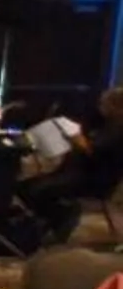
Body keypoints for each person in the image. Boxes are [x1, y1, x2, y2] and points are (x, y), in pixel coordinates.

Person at [20, 86, 123, 242]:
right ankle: (46, 224)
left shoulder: (118, 130)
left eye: (105, 104)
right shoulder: (106, 124)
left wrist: (78, 140)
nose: (100, 107)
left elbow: (95, 152)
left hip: (94, 179)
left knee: (39, 190)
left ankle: (63, 216)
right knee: (26, 186)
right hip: (79, 172)